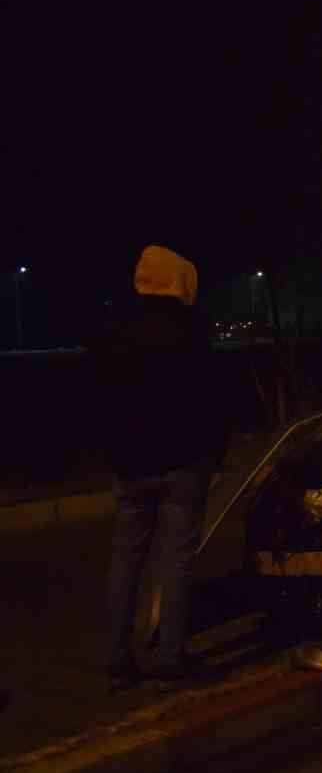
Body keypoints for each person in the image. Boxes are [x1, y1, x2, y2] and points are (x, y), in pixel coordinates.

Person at [94, 246, 227, 688]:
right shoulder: (190, 329)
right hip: (184, 464)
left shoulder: (115, 328)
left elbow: (100, 398)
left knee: (126, 558)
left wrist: (114, 453)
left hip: (130, 463)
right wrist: (215, 456)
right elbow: (212, 399)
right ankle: (170, 655)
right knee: (175, 560)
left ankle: (117, 657)